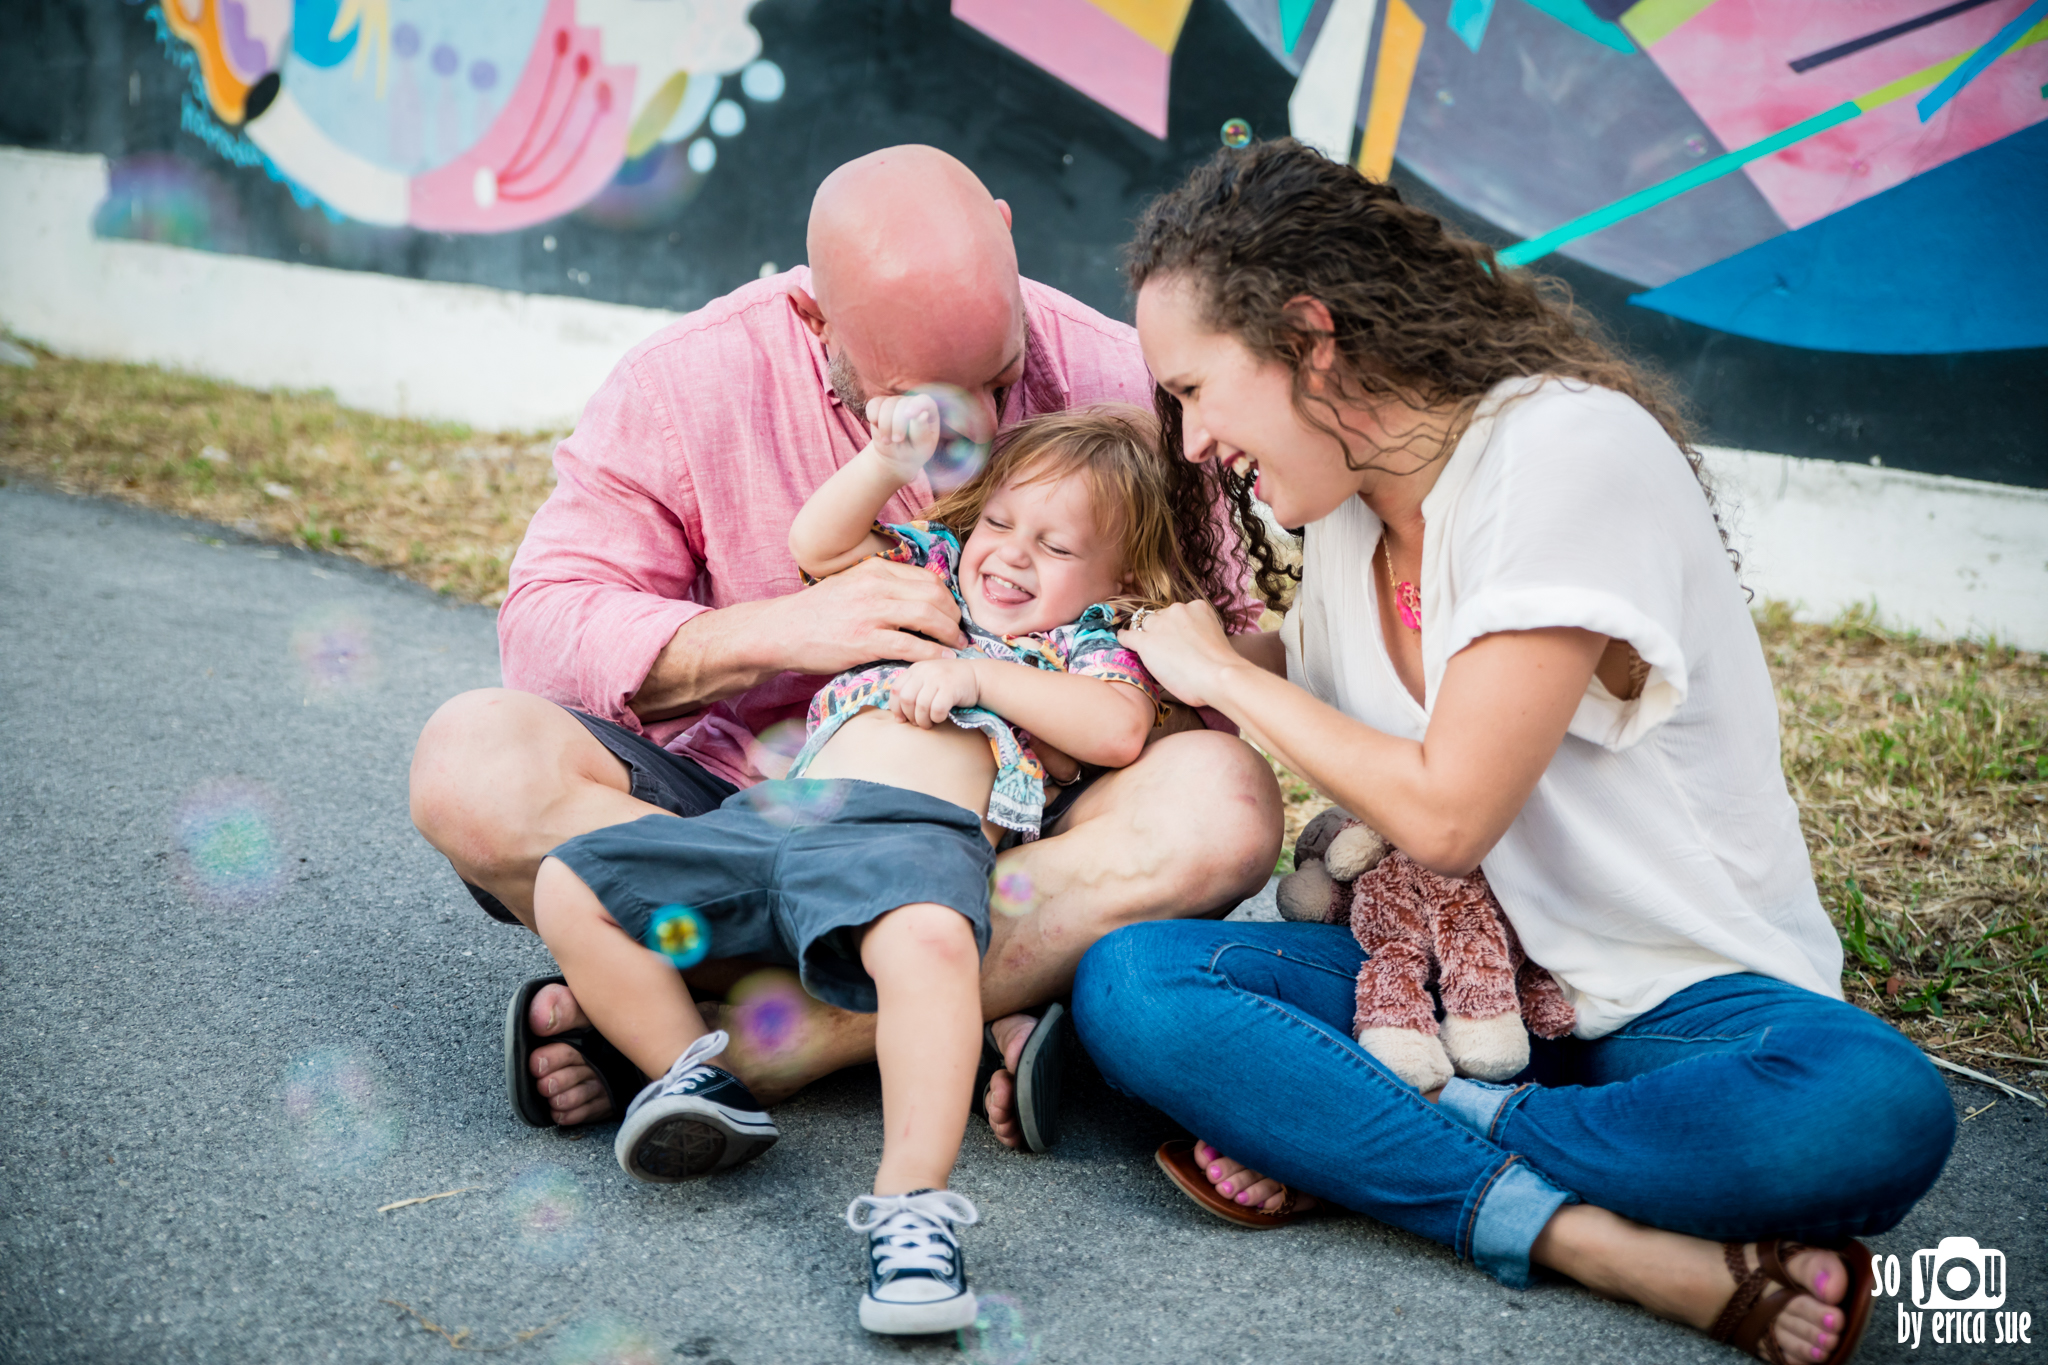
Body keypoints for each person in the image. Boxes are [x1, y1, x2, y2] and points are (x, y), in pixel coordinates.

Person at [1073, 139, 1954, 1365]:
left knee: (1873, 1110)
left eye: (1192, 388)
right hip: (1448, 985)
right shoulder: (1339, 512)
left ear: (1311, 339)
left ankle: (1371, 1138)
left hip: (1679, 1007)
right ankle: (1595, 1238)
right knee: (1134, 988)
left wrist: (1219, 674)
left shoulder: (1561, 455)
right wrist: (1077, 658)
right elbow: (1295, 687)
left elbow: (1445, 815)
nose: (1190, 436)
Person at [408, 145, 1279, 1154]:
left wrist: (1067, 679)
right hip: (738, 804)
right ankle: (976, 1002)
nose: (983, 430)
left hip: (1001, 828)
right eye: (929, 408)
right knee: (471, 763)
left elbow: (1228, 633)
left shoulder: (1122, 379)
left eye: (998, 381)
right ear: (816, 323)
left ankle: (713, 1045)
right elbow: (546, 624)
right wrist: (782, 630)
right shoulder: (685, 380)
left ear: (1007, 227)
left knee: (1224, 804)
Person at [531, 399, 1193, 1334]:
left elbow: (1119, 729)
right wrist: (887, 460)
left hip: (912, 836)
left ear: (1118, 578)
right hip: (775, 816)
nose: (1009, 552)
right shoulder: (931, 575)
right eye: (1000, 521)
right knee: (574, 881)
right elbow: (821, 540)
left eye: (1055, 546)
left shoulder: (1086, 645)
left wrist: (979, 676)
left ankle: (913, 1213)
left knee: (929, 948)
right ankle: (691, 1075)